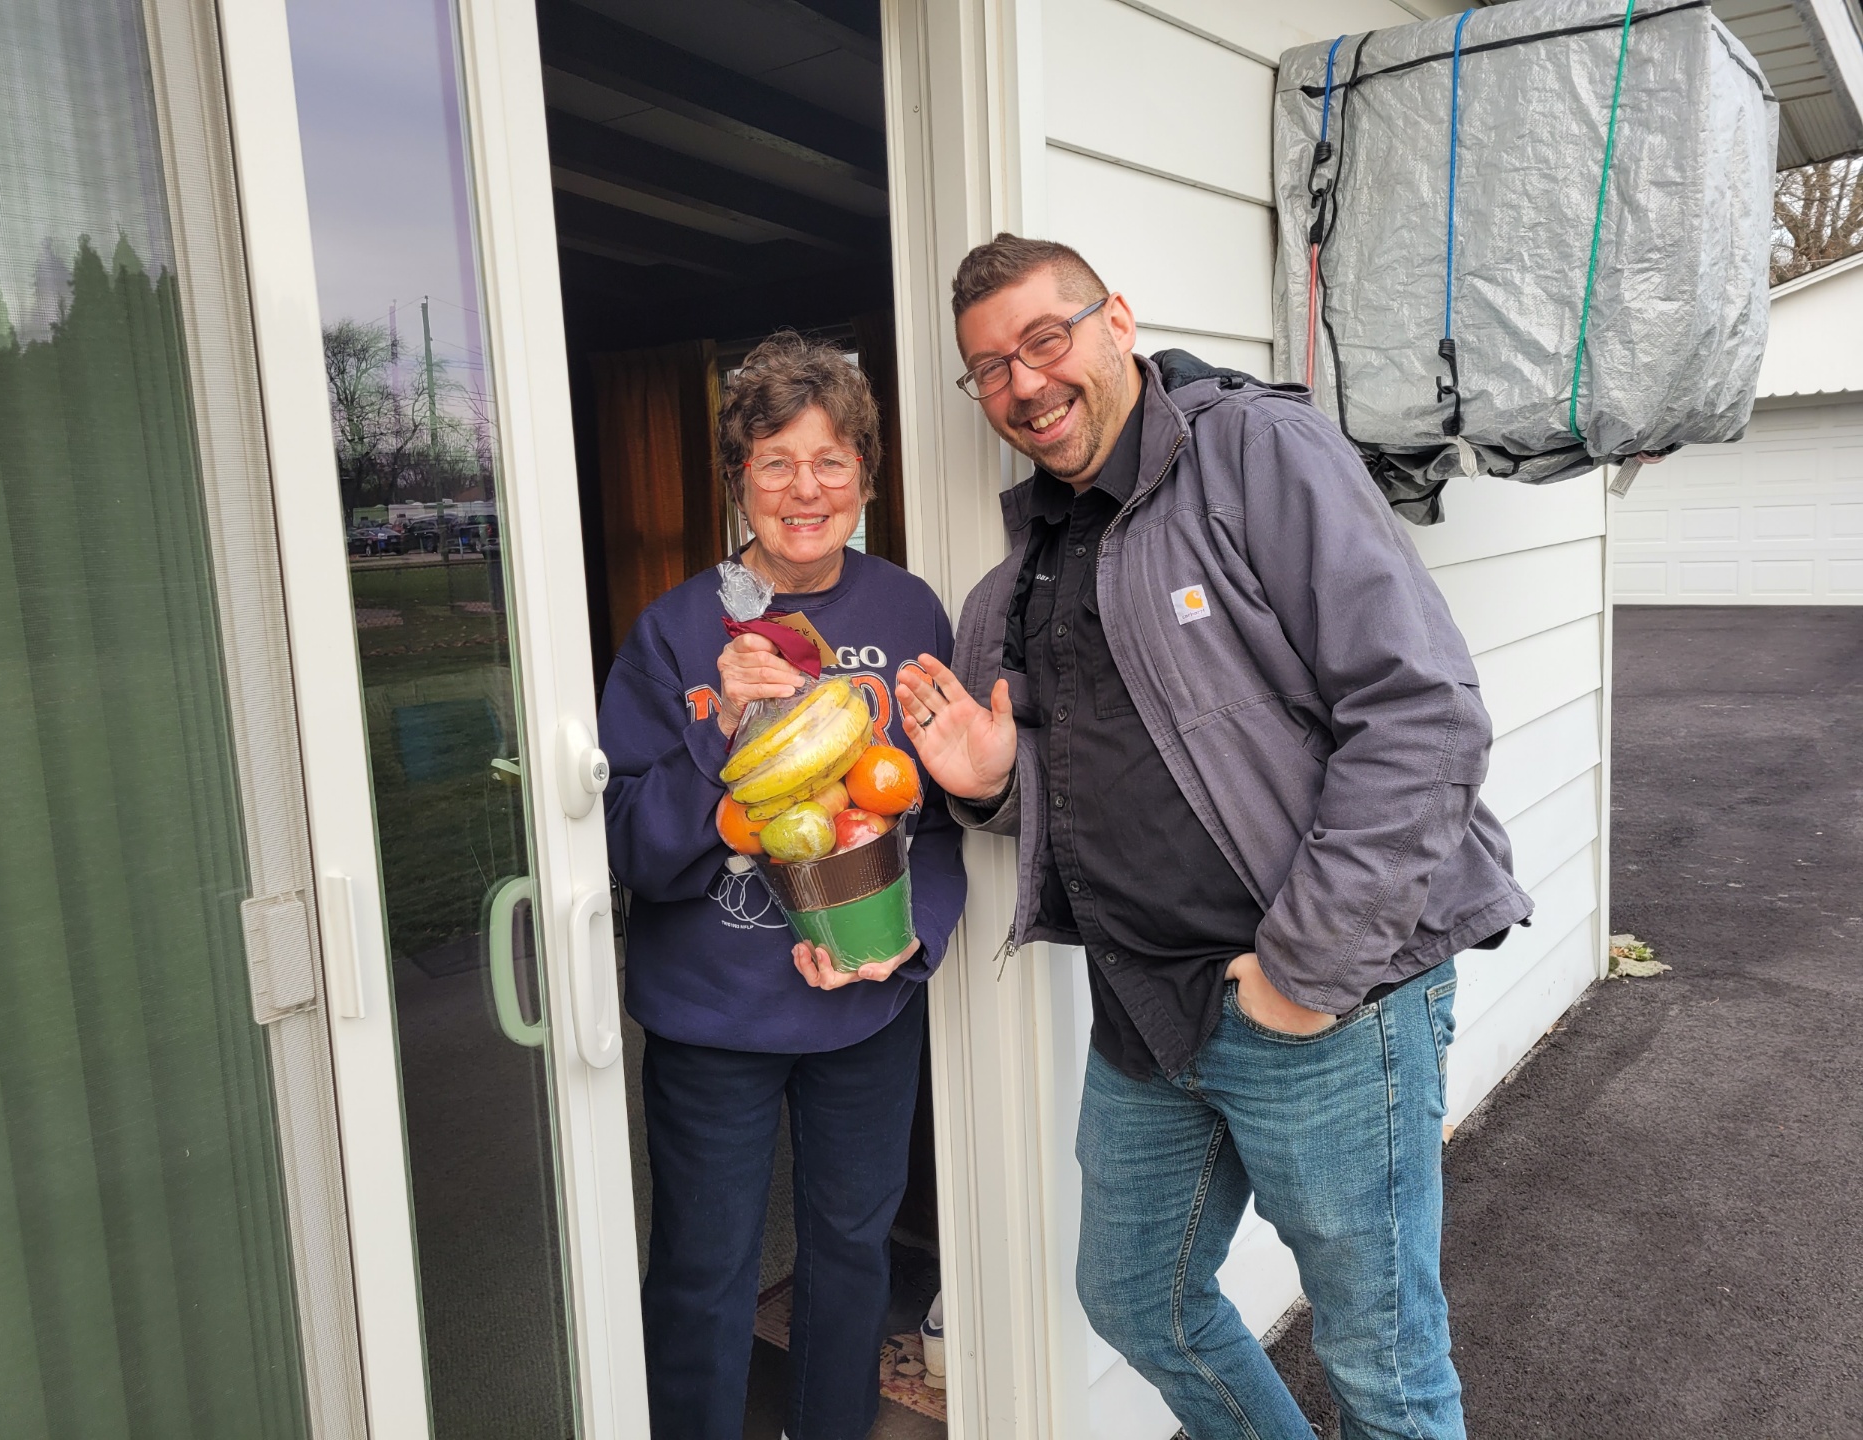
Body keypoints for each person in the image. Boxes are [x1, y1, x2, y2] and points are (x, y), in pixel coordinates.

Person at [895, 235, 1533, 1440]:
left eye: (1045, 339)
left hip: (1319, 1001)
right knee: (1137, 1297)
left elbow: (1423, 712)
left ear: (1117, 321)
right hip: (1148, 1006)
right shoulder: (1032, 560)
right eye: (990, 368)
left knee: (1383, 1368)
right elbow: (1103, 771)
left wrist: (1303, 970)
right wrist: (992, 781)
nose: (1024, 383)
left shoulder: (1253, 451)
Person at [600, 332, 966, 1440]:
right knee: (704, 1270)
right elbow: (630, 849)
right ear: (738, 481)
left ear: (866, 479)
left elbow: (941, 818)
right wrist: (723, 731)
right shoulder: (674, 633)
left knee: (851, 1253)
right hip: (712, 1017)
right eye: (775, 463)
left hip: (865, 1006)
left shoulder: (910, 615)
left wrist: (913, 938)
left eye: (831, 461)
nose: (805, 490)